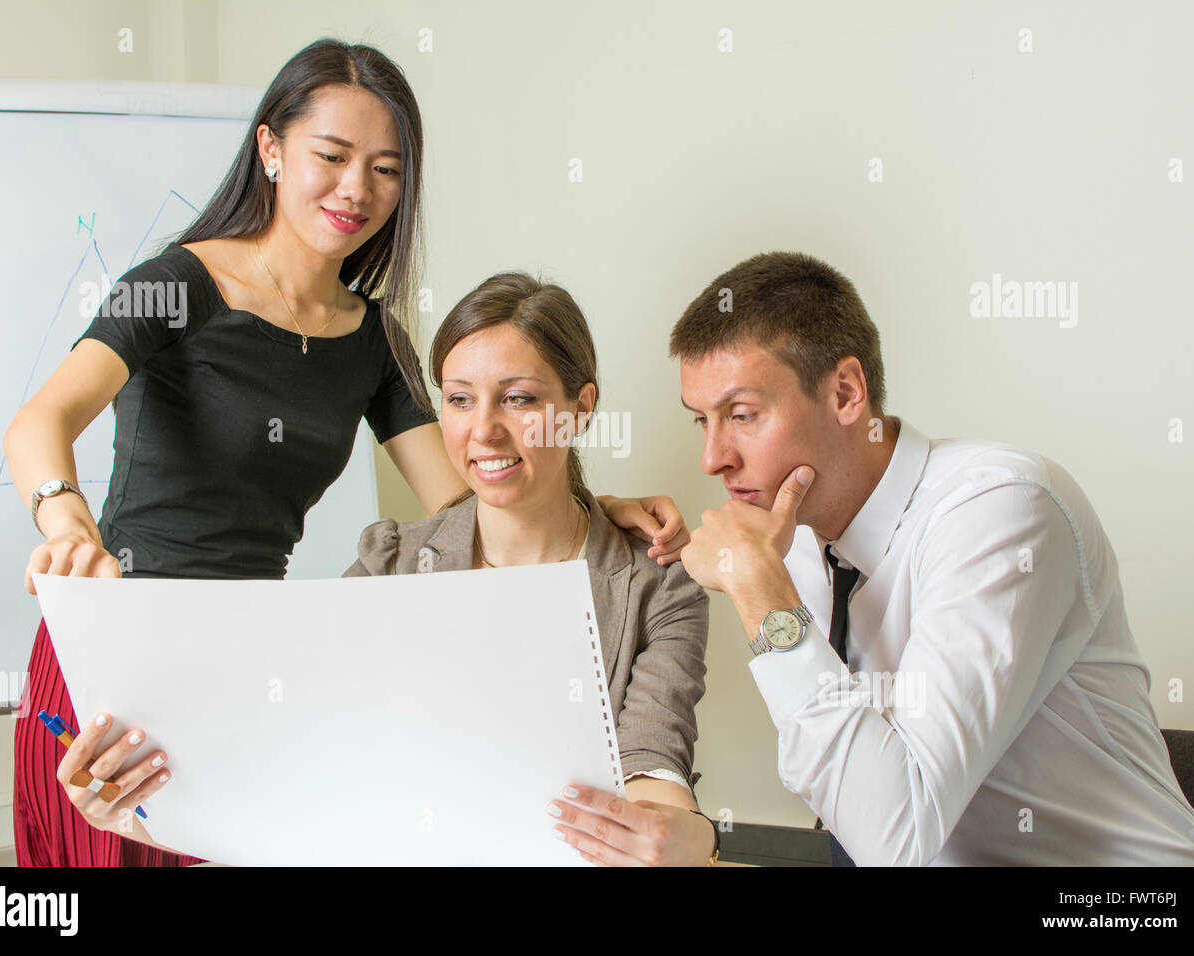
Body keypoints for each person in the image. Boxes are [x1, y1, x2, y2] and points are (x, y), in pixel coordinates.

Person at [5, 39, 688, 868]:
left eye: (386, 169)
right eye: (331, 156)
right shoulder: (177, 284)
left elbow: (466, 499)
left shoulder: (372, 340)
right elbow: (39, 422)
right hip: (121, 643)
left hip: (247, 658)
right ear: (270, 149)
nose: (356, 190)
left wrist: (591, 505)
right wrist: (66, 517)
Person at [51, 273, 718, 866]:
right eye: (459, 400)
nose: (483, 432)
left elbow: (651, 765)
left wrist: (677, 835)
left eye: (518, 399)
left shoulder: (658, 581)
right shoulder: (391, 561)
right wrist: (135, 806)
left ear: (580, 407)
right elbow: (293, 750)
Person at [648, 249, 1194, 866]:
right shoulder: (800, 546)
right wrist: (602, 514)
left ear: (845, 392)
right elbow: (846, 797)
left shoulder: (1001, 510)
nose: (713, 459)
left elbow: (896, 837)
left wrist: (759, 591)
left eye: (741, 415)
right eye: (700, 422)